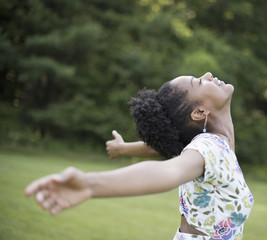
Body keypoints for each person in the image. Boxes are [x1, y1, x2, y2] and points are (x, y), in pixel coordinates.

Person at [25, 72, 254, 240]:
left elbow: (168, 146)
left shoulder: (207, 146)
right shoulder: (210, 148)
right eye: (200, 81)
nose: (209, 75)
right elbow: (169, 171)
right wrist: (89, 184)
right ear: (199, 113)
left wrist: (124, 149)